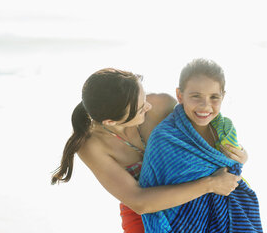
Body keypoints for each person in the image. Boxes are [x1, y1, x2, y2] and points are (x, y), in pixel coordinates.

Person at [51, 68, 243, 233]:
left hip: (193, 196)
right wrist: (209, 185)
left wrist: (238, 153)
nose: (149, 106)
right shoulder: (91, 146)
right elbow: (139, 202)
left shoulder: (162, 105)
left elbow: (209, 131)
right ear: (111, 122)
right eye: (141, 107)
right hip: (145, 211)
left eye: (145, 97)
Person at [139, 58, 262, 232]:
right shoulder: (164, 138)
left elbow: (230, 170)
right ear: (180, 96)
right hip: (183, 223)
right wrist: (211, 183)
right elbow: (151, 195)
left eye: (214, 97)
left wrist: (241, 158)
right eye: (196, 96)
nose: (206, 106)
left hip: (228, 216)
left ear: (223, 97)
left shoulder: (225, 130)